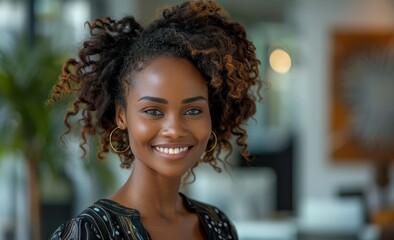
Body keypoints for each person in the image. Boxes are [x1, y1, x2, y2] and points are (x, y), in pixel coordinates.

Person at [48, 0, 262, 239]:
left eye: (193, 110)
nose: (174, 129)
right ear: (121, 114)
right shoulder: (89, 233)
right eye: (153, 111)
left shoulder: (218, 226)